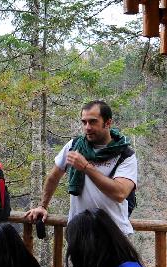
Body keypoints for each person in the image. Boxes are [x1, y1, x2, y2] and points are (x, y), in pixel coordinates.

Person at [25, 100, 137, 235]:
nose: (87, 127)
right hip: (79, 232)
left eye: (93, 121)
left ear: (108, 123)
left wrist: (86, 167)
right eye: (84, 122)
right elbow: (53, 177)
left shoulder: (124, 154)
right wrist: (42, 206)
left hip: (113, 233)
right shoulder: (74, 145)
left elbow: (120, 193)